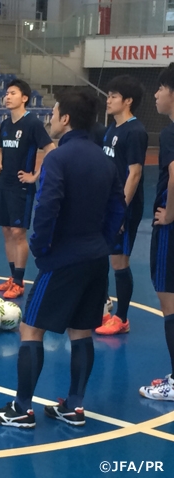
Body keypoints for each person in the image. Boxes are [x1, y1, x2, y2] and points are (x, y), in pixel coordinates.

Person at [0, 88, 125, 428]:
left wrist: (41, 247)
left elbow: (47, 208)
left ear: (65, 118)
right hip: (95, 259)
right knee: (81, 333)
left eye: (55, 112)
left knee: (30, 329)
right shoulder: (106, 161)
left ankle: (21, 410)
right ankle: (74, 407)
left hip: (63, 259)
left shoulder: (57, 159)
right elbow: (117, 208)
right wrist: (101, 243)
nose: (51, 118)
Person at [95, 75, 148, 336]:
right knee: (103, 255)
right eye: (108, 95)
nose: (108, 99)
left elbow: (134, 173)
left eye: (114, 96)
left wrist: (120, 210)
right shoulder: (112, 129)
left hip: (123, 207)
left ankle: (122, 319)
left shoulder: (135, 131)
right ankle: (104, 304)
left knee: (119, 261)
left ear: (127, 101)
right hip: (107, 203)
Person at [0, 79, 55, 299]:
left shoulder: (32, 124)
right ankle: (12, 277)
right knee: (6, 230)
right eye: (6, 93)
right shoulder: (5, 124)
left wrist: (35, 175)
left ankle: (19, 282)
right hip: (5, 184)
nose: (7, 97)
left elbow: (51, 148)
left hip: (21, 186)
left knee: (18, 232)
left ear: (24, 98)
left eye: (12, 93)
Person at [138, 63, 174, 400]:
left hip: (170, 230)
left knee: (169, 301)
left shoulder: (169, 132)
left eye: (161, 89)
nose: (157, 95)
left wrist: (171, 213)